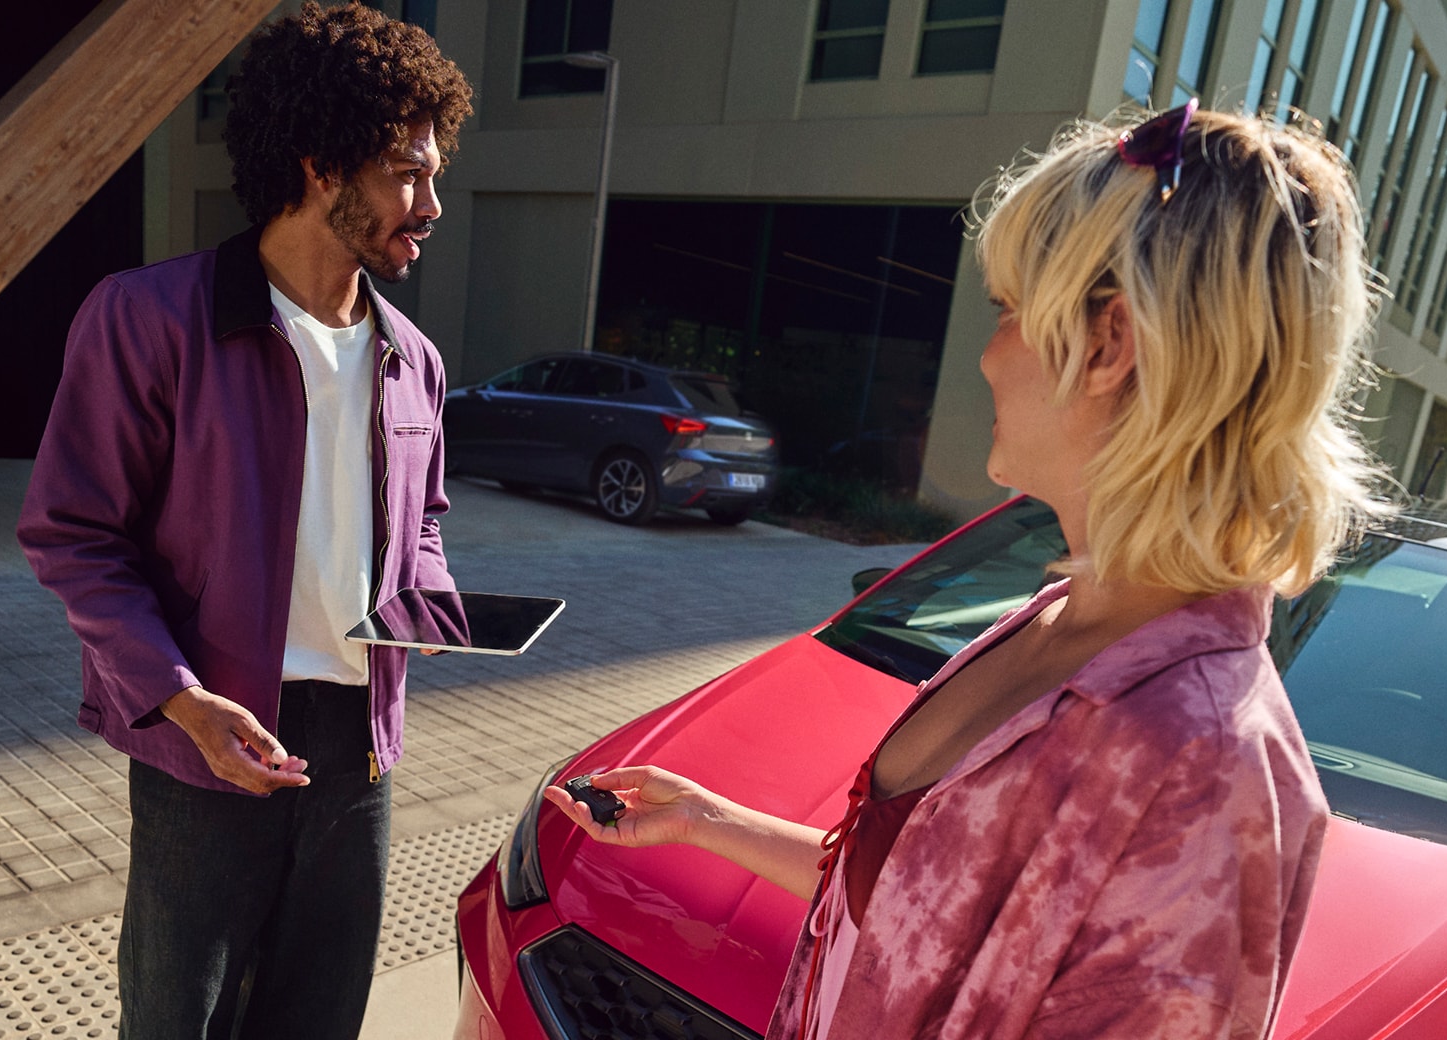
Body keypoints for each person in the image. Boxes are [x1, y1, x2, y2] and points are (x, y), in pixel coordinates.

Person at [544, 103, 1390, 1039]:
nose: (988, 354)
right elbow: (915, 902)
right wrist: (709, 821)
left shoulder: (1209, 775)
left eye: (1010, 311)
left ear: (1109, 345)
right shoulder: (1059, 617)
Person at [14, 6, 471, 1038]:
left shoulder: (416, 359)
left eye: (432, 174)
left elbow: (424, 520)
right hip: (211, 741)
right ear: (319, 166)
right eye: (407, 173)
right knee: (181, 1018)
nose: (430, 202)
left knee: (318, 1017)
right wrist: (178, 701)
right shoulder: (147, 317)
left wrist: (436, 602)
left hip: (358, 751)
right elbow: (72, 534)